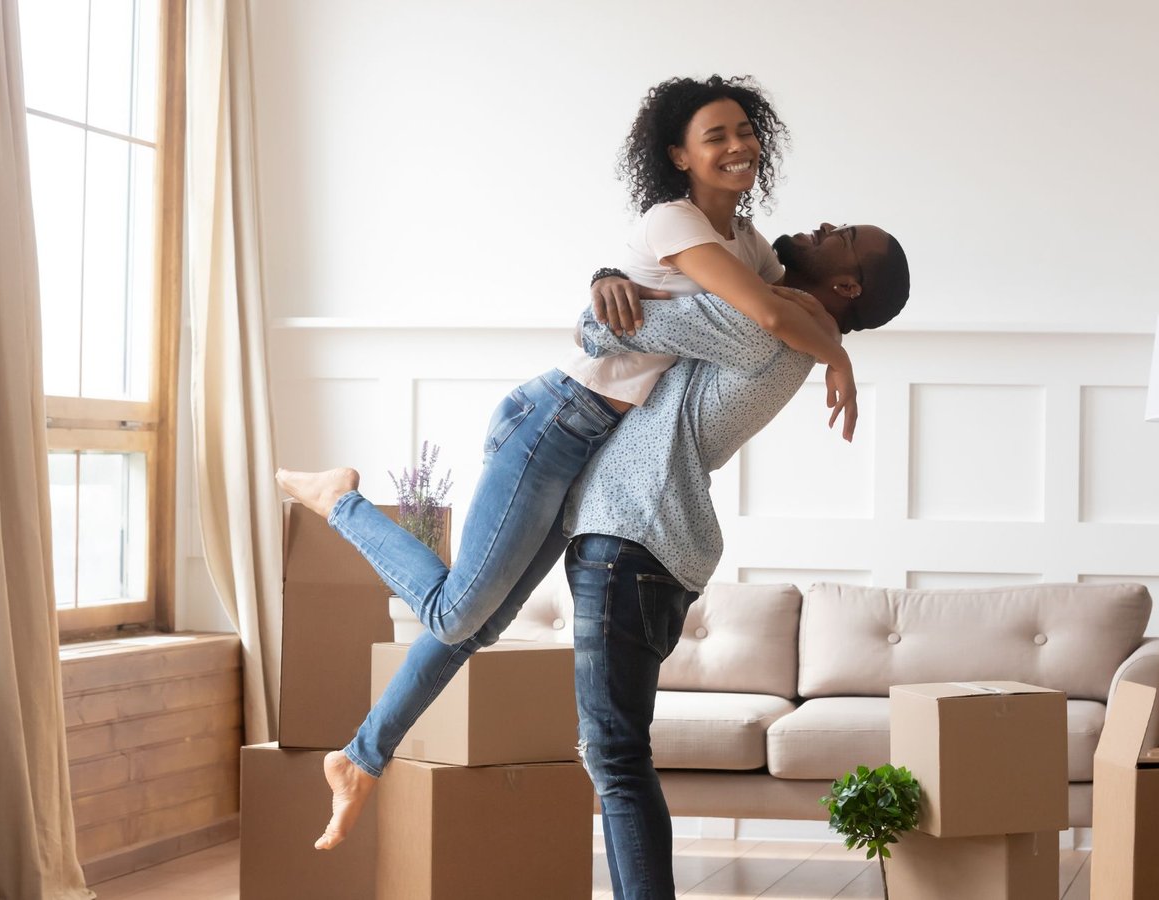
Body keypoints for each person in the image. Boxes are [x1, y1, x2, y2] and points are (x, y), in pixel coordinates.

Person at [274, 74, 861, 851]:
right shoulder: (672, 219)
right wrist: (838, 360)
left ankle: (359, 758)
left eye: (745, 130)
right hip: (554, 420)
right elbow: (759, 320)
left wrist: (813, 329)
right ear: (679, 157)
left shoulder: (748, 245)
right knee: (457, 614)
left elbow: (783, 304)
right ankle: (340, 499)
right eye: (715, 135)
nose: (738, 145)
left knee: (475, 627)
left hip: (594, 452)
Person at [567, 226, 910, 898]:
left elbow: (599, 329)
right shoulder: (784, 324)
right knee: (620, 755)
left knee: (615, 757)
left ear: (846, 287)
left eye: (838, 237)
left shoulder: (764, 323)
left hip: (630, 537)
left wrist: (607, 287)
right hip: (646, 544)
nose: (818, 228)